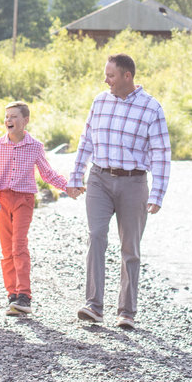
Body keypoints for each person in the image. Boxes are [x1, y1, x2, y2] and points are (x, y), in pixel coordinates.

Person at [66, 53, 170, 330]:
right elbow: (86, 140)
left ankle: (126, 312)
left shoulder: (151, 108)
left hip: (134, 183)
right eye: (106, 75)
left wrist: (157, 193)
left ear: (127, 76)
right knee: (96, 236)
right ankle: (94, 306)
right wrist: (76, 176)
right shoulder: (100, 101)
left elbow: (161, 153)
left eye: (111, 75)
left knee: (130, 248)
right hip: (99, 178)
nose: (106, 80)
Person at [0, 101, 69, 316]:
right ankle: (12, 294)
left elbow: (47, 173)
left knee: (19, 245)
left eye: (14, 116)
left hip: (24, 200)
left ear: (25, 121)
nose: (9, 120)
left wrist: (68, 186)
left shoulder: (35, 146)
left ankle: (24, 295)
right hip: (2, 200)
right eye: (7, 117)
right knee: (6, 249)